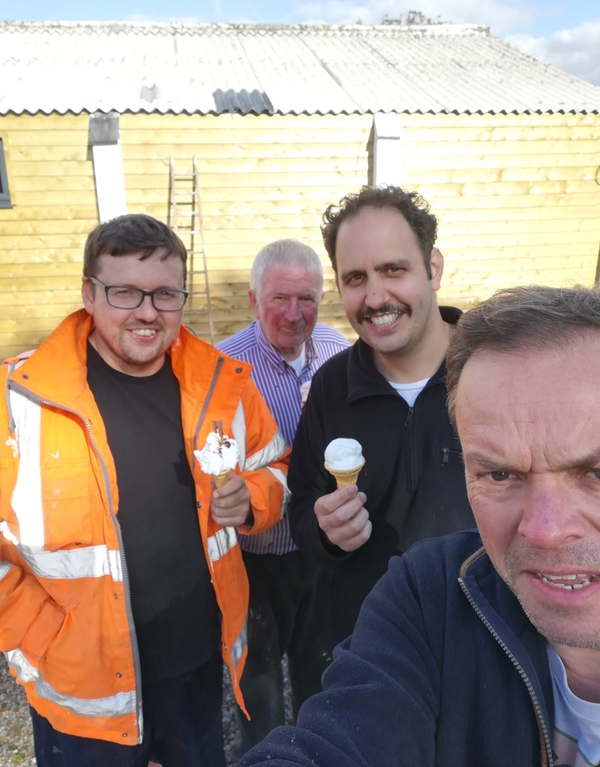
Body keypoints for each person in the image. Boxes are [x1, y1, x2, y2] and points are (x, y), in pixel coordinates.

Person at [240, 283, 600, 767]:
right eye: (498, 474)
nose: (545, 529)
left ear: (432, 270)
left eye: (595, 473)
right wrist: (324, 531)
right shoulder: (430, 594)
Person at [0, 214, 290, 767]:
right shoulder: (18, 400)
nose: (148, 312)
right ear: (89, 292)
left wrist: (252, 498)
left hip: (193, 665)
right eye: (125, 292)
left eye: (165, 294)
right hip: (81, 690)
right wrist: (40, 634)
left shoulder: (223, 384)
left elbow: (277, 464)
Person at [288, 185, 474, 652]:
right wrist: (326, 533)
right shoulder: (331, 387)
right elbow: (302, 509)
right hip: (368, 647)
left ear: (432, 268)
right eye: (355, 278)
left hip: (482, 637)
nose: (375, 298)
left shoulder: (494, 371)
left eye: (393, 269)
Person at [219, 239, 349, 754]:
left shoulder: (341, 353)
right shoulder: (224, 367)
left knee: (323, 667)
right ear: (253, 300)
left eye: (307, 299)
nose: (294, 315)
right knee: (259, 685)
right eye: (279, 299)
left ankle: (317, 753)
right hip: (255, 557)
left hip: (323, 550)